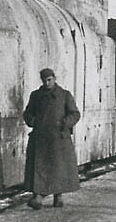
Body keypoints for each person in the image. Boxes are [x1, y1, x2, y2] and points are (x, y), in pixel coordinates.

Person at [23, 68, 81, 210]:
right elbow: (28, 113)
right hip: (41, 138)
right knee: (41, 167)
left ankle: (57, 196)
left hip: (59, 138)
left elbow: (75, 114)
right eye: (44, 80)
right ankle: (38, 196)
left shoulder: (64, 95)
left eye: (49, 80)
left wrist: (65, 122)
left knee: (57, 168)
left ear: (54, 78)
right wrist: (33, 121)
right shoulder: (36, 96)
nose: (47, 83)